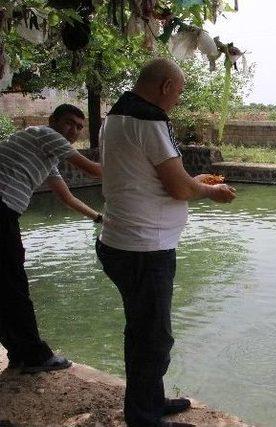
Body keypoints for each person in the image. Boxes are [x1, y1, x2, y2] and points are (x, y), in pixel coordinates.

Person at [96, 58, 236, 427]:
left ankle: (151, 401)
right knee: (152, 338)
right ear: (165, 87)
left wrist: (194, 181)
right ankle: (144, 418)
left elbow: (147, 176)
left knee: (142, 329)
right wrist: (210, 190)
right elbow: (178, 188)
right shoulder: (150, 120)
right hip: (144, 248)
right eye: (179, 91)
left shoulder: (114, 117)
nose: (178, 99)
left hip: (120, 241)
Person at [0, 104, 102, 374]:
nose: (74, 131)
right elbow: (94, 170)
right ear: (52, 121)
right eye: (69, 123)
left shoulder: (47, 155)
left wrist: (99, 218)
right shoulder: (44, 134)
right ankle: (34, 356)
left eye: (79, 127)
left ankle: (19, 352)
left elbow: (66, 197)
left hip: (5, 213)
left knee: (7, 285)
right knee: (15, 286)